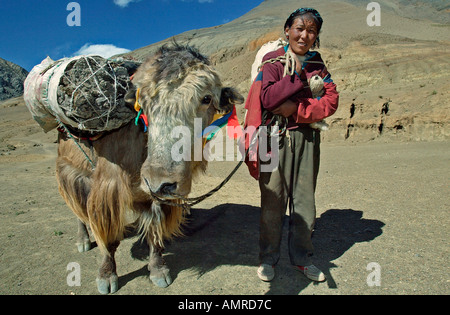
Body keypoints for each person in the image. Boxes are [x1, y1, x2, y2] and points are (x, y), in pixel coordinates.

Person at [255, 8, 339, 282]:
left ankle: (302, 258)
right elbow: (268, 99)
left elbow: (331, 101)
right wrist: (297, 77)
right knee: (272, 201)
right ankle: (268, 258)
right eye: (300, 28)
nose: (305, 35)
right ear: (288, 29)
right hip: (272, 138)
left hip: (306, 139)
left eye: (312, 30)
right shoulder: (272, 61)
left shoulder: (319, 65)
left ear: (316, 36)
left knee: (304, 201)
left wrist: (297, 110)